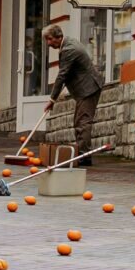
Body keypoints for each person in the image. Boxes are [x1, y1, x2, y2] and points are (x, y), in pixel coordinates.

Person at [43, 24, 103, 166]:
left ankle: (84, 156)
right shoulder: (67, 43)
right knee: (79, 121)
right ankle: (82, 153)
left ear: (58, 37)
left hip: (88, 88)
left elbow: (62, 75)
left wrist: (52, 99)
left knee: (83, 122)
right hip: (86, 87)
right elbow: (68, 71)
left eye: (49, 39)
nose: (48, 43)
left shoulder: (69, 49)